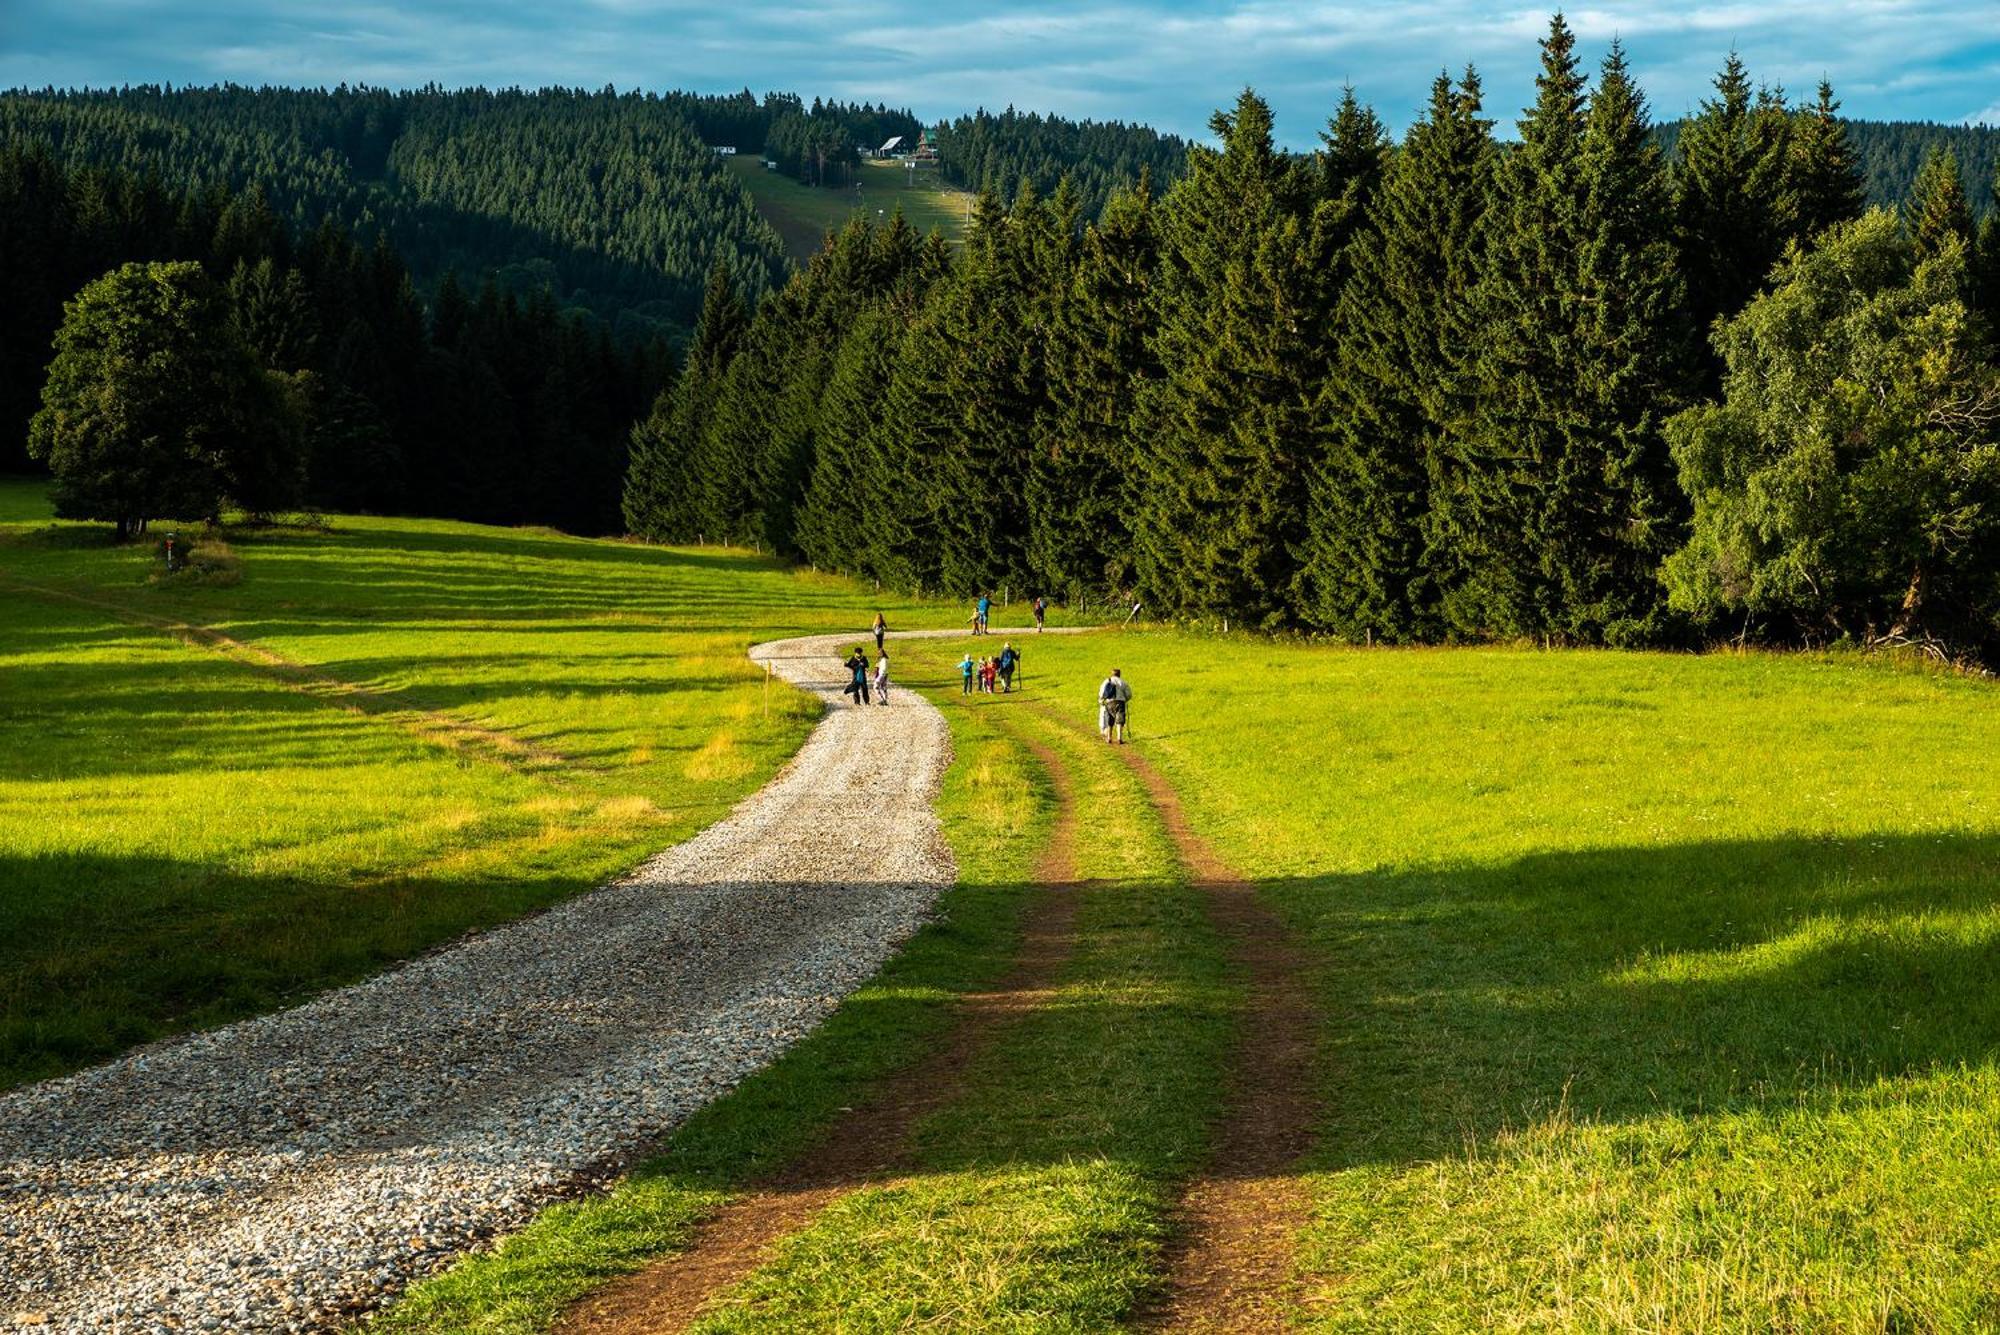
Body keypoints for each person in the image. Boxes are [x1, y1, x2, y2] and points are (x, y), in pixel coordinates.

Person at [1098, 668, 1132, 744]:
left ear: (1112, 674)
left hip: (1109, 702)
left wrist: (1102, 700)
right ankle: (1119, 738)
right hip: (1120, 703)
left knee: (1110, 720)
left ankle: (1109, 738)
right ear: (1119, 674)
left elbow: (1101, 692)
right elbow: (1129, 694)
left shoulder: (1106, 681)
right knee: (1120, 720)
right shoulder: (1123, 682)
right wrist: (1125, 699)